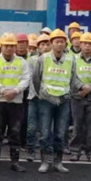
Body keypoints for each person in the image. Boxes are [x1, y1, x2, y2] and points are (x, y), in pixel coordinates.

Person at [31, 29, 78, 173]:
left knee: (60, 133)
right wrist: (42, 93)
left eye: (62, 42)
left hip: (63, 100)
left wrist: (67, 94)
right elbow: (36, 79)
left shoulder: (71, 60)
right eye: (57, 42)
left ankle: (58, 162)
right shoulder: (43, 59)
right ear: (51, 43)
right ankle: (45, 161)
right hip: (46, 100)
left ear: (65, 44)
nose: (59, 44)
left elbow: (73, 79)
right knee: (45, 133)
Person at [0, 33, 31, 172]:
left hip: (16, 102)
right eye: (6, 46)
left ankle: (15, 162)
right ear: (1, 46)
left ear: (15, 47)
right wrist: (4, 90)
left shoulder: (22, 62)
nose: (9, 48)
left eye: (12, 46)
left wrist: (15, 91)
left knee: (15, 132)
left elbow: (26, 79)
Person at [69, 33, 91, 163]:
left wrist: (90, 88)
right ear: (80, 44)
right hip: (77, 96)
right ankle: (75, 151)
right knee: (78, 126)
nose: (87, 46)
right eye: (85, 43)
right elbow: (71, 75)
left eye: (90, 44)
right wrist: (82, 87)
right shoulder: (73, 59)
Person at [25, 34, 51, 162]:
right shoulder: (32, 60)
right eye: (42, 45)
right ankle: (31, 150)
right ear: (38, 47)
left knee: (46, 129)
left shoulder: (53, 61)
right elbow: (31, 78)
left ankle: (45, 153)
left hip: (48, 99)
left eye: (47, 44)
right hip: (34, 97)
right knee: (31, 127)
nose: (45, 47)